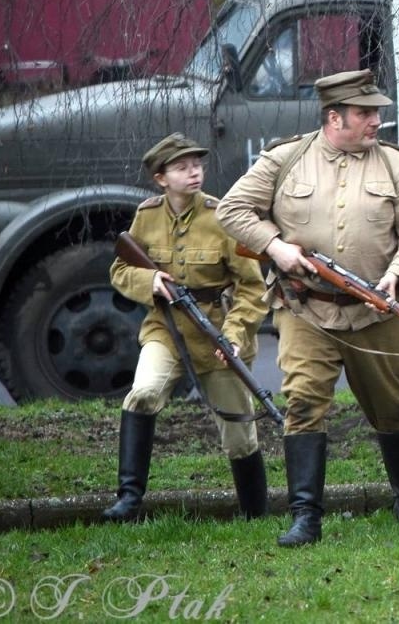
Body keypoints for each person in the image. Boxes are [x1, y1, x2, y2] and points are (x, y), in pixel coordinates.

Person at [218, 70, 399, 547]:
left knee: (394, 405)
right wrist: (274, 247)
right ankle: (305, 517)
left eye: (377, 112)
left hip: (377, 310)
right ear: (334, 117)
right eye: (365, 113)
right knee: (302, 402)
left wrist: (397, 273)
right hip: (306, 309)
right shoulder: (285, 158)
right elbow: (232, 210)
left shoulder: (395, 164)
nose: (377, 120)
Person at [102, 133, 270, 522]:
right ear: (161, 178)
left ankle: (255, 512)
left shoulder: (221, 216)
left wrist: (233, 335)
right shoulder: (146, 216)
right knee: (142, 393)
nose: (194, 173)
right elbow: (121, 269)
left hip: (215, 331)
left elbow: (252, 287)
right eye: (182, 167)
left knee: (239, 434)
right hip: (165, 329)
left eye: (197, 165)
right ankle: (128, 498)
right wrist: (151, 283)